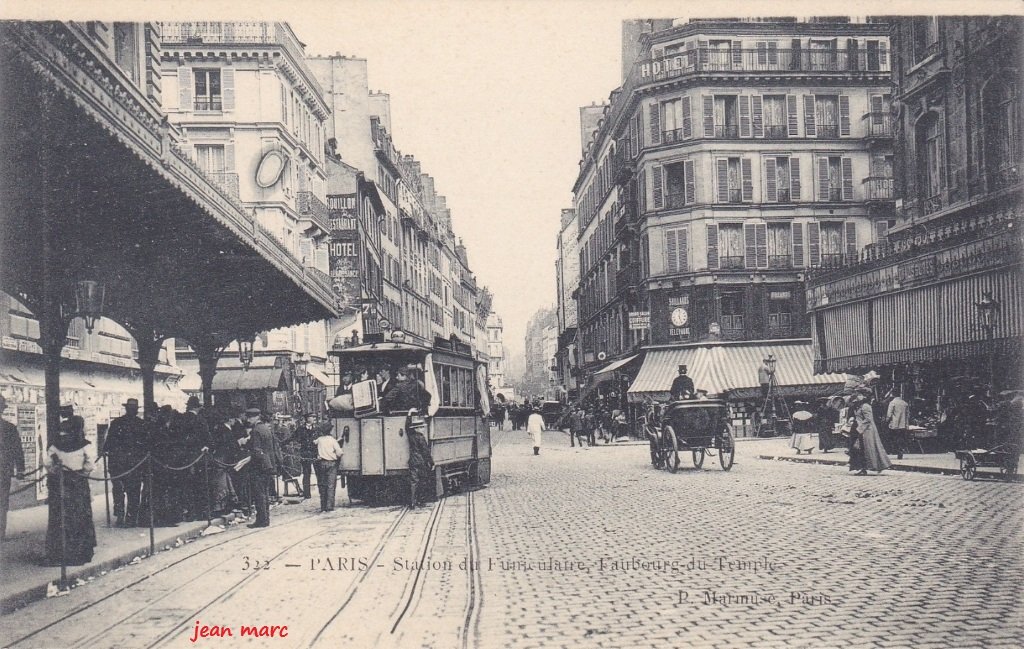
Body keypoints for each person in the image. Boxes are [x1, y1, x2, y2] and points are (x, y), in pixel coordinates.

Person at [44, 416, 97, 566]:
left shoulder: (55, 445)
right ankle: (79, 553)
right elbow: (90, 465)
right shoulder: (85, 445)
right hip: (78, 482)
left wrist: (57, 470)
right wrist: (82, 472)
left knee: (60, 517)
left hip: (61, 483)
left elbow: (48, 464)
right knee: (80, 516)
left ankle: (59, 553)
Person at [103, 398, 147, 527]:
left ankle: (120, 515)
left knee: (118, 490)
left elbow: (108, 443)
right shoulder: (141, 424)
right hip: (135, 464)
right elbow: (145, 444)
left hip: (118, 463)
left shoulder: (117, 423)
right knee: (133, 491)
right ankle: (131, 518)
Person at [242, 408, 280, 528]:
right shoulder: (265, 429)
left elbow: (257, 450)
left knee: (259, 494)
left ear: (255, 418)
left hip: (259, 467)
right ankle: (265, 519)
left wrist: (248, 452)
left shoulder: (255, 431)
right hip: (268, 465)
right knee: (265, 493)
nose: (248, 420)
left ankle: (261, 520)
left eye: (249, 418)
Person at [849, 389, 892, 476]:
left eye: (858, 395)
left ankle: (865, 468)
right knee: (861, 449)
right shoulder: (859, 406)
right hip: (861, 430)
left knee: (866, 450)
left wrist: (859, 429)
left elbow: (868, 419)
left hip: (866, 431)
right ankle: (863, 468)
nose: (857, 398)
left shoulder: (865, 406)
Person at [1, 395, 26, 542]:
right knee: (2, 502)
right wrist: (20, 469)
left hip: (3, 471)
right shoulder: (9, 428)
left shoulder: (10, 428)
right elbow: (18, 450)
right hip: (3, 471)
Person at [283, 413, 319, 499]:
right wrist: (282, 443)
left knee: (319, 473)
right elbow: (292, 437)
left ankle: (322, 492)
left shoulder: (317, 429)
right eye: (312, 417)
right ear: (307, 419)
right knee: (306, 474)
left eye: (314, 417)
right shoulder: (300, 429)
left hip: (315, 454)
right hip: (305, 454)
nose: (314, 418)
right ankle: (307, 494)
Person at [312, 428, 343, 512]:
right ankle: (329, 506)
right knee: (331, 486)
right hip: (332, 464)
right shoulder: (332, 440)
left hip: (321, 463)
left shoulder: (319, 439)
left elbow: (313, 443)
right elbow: (339, 453)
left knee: (322, 485)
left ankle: (323, 506)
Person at [886, 392, 911, 460]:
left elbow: (889, 414)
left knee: (895, 438)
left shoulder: (892, 403)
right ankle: (901, 450)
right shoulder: (905, 403)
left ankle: (898, 450)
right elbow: (908, 414)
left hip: (895, 424)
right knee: (901, 437)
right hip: (903, 424)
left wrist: (886, 421)